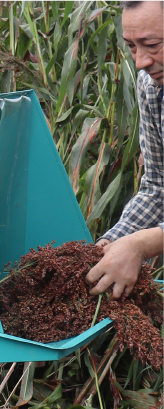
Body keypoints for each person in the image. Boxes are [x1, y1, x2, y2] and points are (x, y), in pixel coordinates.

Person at [86, 0, 163, 300]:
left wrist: (140, 245)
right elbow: (158, 187)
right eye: (131, 46)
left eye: (152, 44)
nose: (140, 61)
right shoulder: (150, 87)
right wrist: (110, 245)